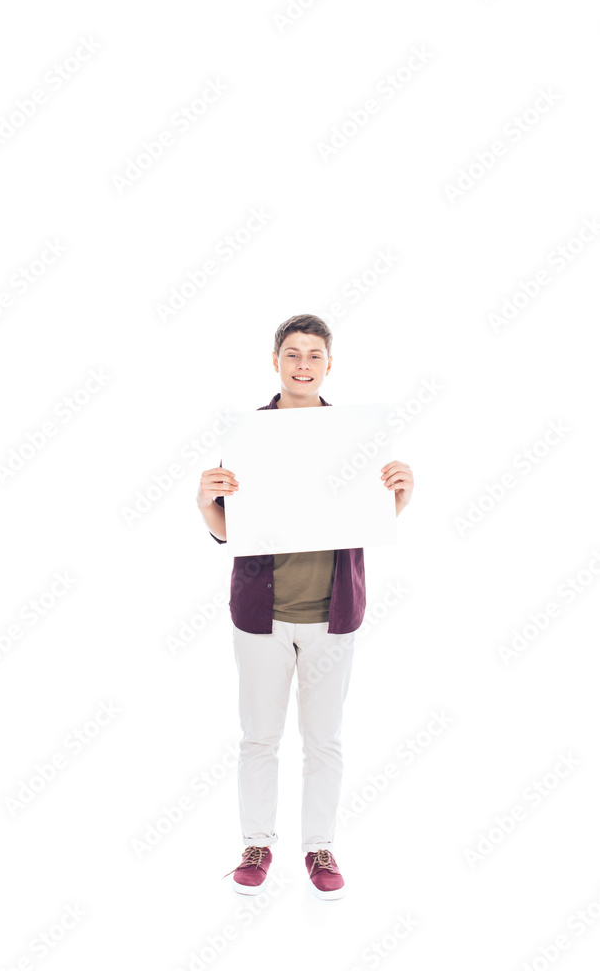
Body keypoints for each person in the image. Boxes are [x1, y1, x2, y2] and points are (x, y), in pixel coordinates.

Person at [196, 314, 414, 900]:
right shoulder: (250, 434)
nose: (302, 365)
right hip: (262, 616)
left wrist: (401, 495)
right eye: (292, 354)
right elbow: (228, 531)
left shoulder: (354, 434)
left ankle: (319, 846)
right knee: (259, 738)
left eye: (313, 355)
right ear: (276, 361)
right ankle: (257, 844)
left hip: (332, 613)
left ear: (328, 364)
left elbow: (364, 523)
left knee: (325, 740)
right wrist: (205, 502)